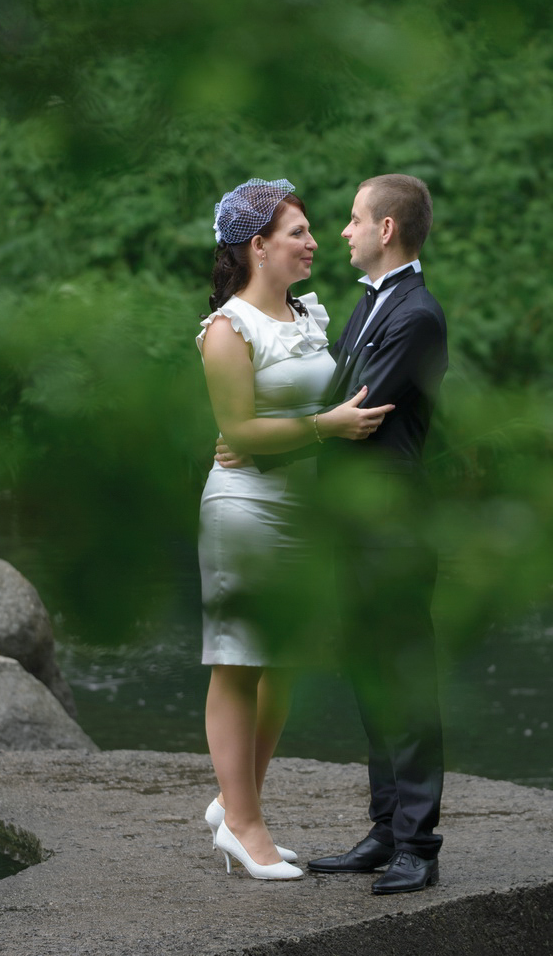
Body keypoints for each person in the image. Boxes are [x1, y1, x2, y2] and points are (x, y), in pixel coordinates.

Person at [221, 174, 449, 895]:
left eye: (353, 219)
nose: (341, 232)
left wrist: (263, 442)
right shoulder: (369, 302)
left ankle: (418, 842)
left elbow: (357, 414)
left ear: (386, 230)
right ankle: (385, 829)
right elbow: (329, 399)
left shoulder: (416, 314)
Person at [195, 178, 393, 881]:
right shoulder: (227, 329)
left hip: (301, 508)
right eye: (300, 233)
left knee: (283, 662)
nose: (315, 243)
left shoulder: (311, 314)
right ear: (258, 247)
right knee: (238, 658)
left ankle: (233, 801)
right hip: (244, 510)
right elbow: (239, 432)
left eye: (313, 231)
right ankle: (245, 826)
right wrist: (321, 428)